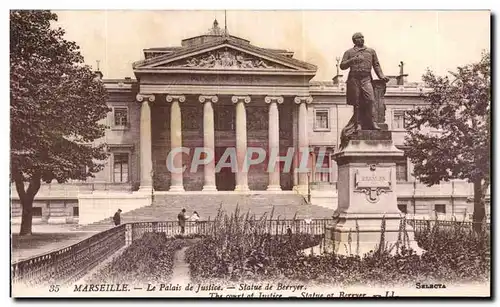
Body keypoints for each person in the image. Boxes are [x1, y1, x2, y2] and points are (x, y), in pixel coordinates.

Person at [339, 32, 390, 131]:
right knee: (357, 102)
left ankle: (373, 122)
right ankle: (358, 124)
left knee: (371, 100)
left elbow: (376, 65)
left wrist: (381, 76)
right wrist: (352, 60)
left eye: (362, 37)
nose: (362, 39)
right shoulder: (349, 52)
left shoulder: (371, 51)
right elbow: (342, 66)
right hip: (354, 79)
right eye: (359, 38)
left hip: (366, 78)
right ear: (354, 40)